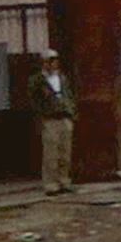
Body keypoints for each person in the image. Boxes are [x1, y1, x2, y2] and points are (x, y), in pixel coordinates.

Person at [29, 49, 77, 196]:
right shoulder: (37, 80)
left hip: (64, 117)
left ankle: (64, 180)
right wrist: (41, 114)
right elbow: (33, 99)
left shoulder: (62, 78)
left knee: (65, 152)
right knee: (51, 153)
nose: (52, 64)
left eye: (54, 61)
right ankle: (50, 184)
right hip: (50, 119)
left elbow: (69, 95)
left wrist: (71, 112)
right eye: (49, 61)